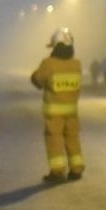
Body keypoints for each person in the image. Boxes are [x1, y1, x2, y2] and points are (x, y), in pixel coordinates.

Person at [29, 27, 85, 182]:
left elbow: (38, 81)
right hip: (72, 112)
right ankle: (76, 169)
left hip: (54, 113)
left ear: (55, 46)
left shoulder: (49, 64)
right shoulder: (77, 64)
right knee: (72, 138)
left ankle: (58, 172)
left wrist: (34, 76)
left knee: (54, 139)